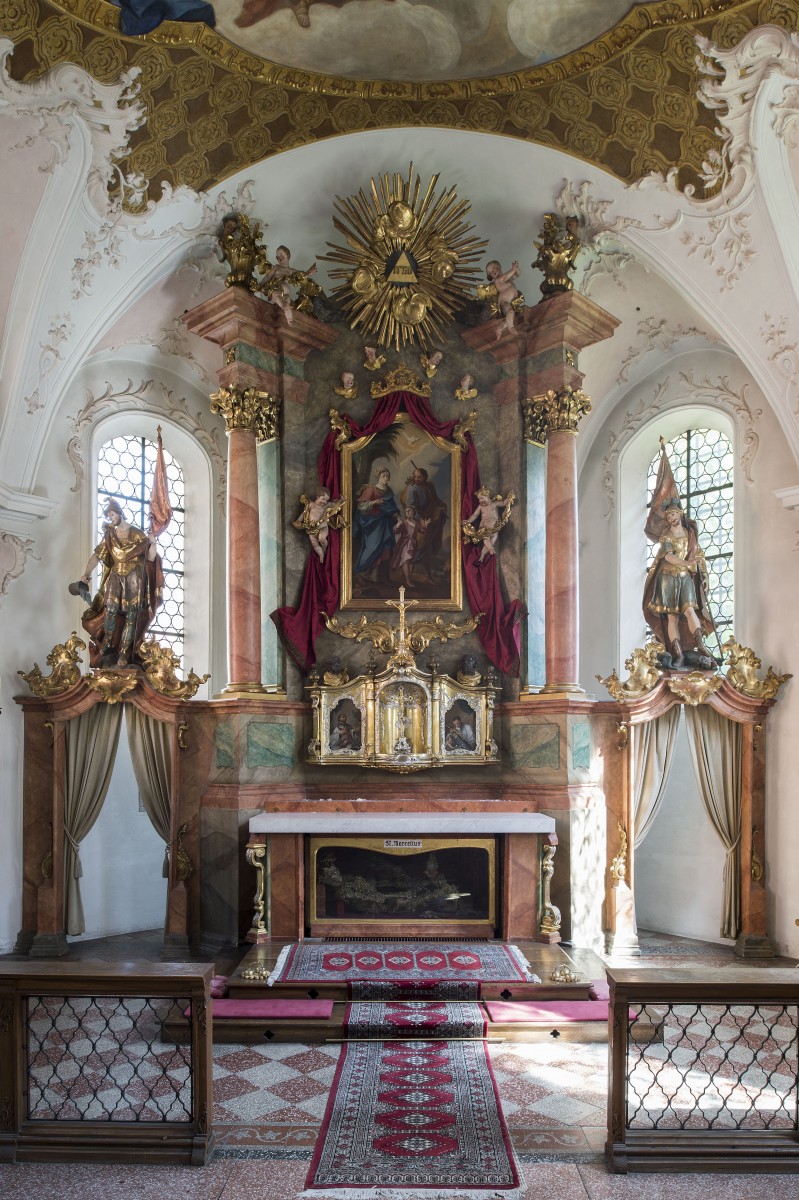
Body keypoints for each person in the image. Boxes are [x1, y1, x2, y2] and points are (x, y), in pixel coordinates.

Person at [78, 499, 163, 668]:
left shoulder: (138, 534)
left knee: (131, 616)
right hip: (116, 577)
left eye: (112, 514)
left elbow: (151, 558)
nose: (110, 518)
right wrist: (86, 574)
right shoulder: (110, 536)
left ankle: (124, 653)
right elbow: (97, 556)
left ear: (119, 513)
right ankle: (108, 645)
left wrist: (153, 542)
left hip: (134, 579)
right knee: (110, 611)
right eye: (108, 516)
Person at [643, 498, 715, 667]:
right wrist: (687, 563)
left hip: (685, 577)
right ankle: (679, 654)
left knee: (690, 610)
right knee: (672, 617)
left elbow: (699, 555)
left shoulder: (690, 534)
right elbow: (668, 556)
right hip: (667, 577)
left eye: (673, 515)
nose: (671, 519)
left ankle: (700, 645)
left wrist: (704, 576)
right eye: (668, 517)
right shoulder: (666, 536)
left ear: (680, 514)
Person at [353, 467, 401, 582]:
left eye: (387, 476)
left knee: (386, 548)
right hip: (372, 524)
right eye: (383, 476)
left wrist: (399, 519)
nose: (386, 478)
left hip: (385, 523)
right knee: (372, 548)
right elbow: (361, 507)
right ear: (378, 477)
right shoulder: (371, 489)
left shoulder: (388, 491)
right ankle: (363, 572)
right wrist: (374, 502)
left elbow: (392, 507)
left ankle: (380, 577)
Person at [400, 466, 447, 581]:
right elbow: (410, 508)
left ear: (424, 477)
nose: (416, 479)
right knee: (417, 547)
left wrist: (442, 506)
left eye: (419, 477)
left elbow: (435, 499)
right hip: (418, 520)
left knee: (428, 548)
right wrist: (419, 520)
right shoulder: (412, 489)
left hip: (429, 520)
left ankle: (428, 575)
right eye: (415, 476)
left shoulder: (429, 486)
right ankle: (407, 577)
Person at [462, 486, 514, 563]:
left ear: (487, 496)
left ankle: (483, 553)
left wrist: (509, 498)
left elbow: (503, 503)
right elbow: (474, 515)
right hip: (484, 529)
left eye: (482, 498)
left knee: (492, 540)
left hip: (495, 528)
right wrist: (468, 521)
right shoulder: (480, 507)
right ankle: (490, 549)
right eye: (479, 499)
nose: (481, 501)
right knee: (486, 540)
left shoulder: (494, 504)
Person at [293, 488, 345, 562]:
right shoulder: (310, 505)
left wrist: (341, 500)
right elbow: (304, 514)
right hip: (311, 530)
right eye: (323, 499)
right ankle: (321, 554)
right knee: (315, 545)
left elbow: (335, 505)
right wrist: (298, 521)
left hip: (323, 527)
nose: (324, 502)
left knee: (322, 538)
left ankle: (324, 549)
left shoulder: (326, 505)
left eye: (326, 500)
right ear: (317, 496)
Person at [485, 259, 522, 339]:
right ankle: (510, 327)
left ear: (499, 266)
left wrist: (516, 268)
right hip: (503, 301)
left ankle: (500, 328)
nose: (493, 272)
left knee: (511, 317)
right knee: (510, 312)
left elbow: (517, 275)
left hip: (511, 301)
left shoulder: (508, 279)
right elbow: (504, 277)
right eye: (490, 273)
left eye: (494, 268)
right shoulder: (497, 280)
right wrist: (513, 269)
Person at [391, 505, 418, 587]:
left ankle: (405, 575)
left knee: (410, 561)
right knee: (406, 561)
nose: (407, 513)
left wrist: (425, 526)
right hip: (404, 544)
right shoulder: (404, 522)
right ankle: (408, 581)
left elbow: (421, 530)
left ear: (413, 512)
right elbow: (396, 530)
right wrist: (398, 523)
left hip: (413, 544)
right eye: (406, 511)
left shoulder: (416, 523)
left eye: (409, 511)